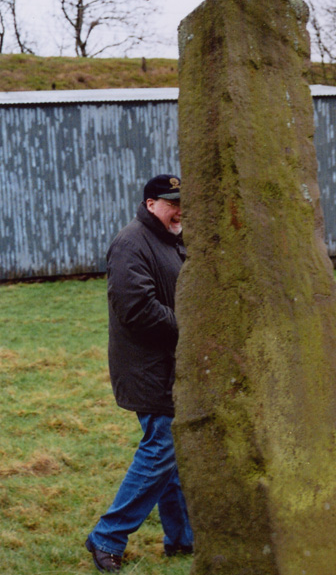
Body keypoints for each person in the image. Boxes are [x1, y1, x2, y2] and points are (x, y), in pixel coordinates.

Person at [85, 174, 193, 573]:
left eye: (182, 201)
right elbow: (137, 309)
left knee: (172, 454)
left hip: (169, 366)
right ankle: (107, 537)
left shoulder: (171, 240)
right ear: (151, 204)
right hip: (148, 370)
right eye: (171, 202)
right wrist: (190, 325)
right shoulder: (131, 243)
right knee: (161, 448)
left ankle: (182, 540)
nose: (179, 209)